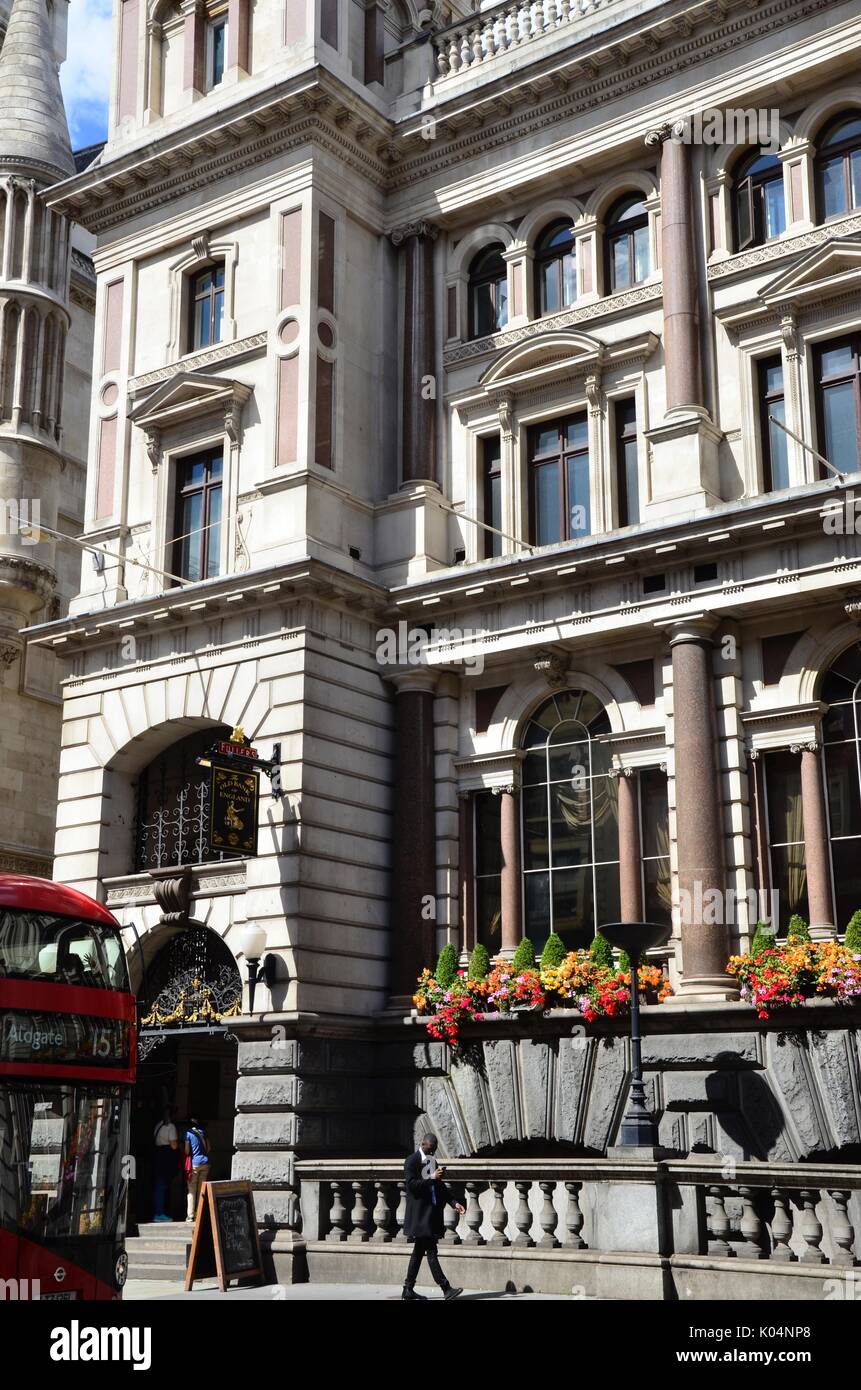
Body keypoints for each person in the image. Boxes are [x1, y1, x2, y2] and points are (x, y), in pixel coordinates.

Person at [402, 1133, 465, 1300]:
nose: (432, 1153)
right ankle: (446, 1288)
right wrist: (431, 1177)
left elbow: (439, 1187)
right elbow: (411, 1185)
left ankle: (408, 1289)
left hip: (430, 1215)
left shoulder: (432, 1161)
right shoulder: (411, 1161)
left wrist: (453, 1203)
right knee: (430, 1251)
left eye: (434, 1150)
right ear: (423, 1144)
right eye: (431, 1149)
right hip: (419, 1216)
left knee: (419, 1252)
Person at [151, 1106, 179, 1223]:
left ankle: (158, 1211)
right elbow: (174, 1145)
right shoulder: (170, 1127)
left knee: (159, 1185)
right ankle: (159, 1213)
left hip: (158, 1155)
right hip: (166, 1156)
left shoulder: (158, 1125)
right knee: (162, 1186)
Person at [184, 1116, 211, 1223]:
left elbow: (186, 1151)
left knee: (191, 1190)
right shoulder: (203, 1132)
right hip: (205, 1163)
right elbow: (209, 1148)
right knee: (201, 1190)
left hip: (194, 1164)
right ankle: (200, 1214)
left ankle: (190, 1215)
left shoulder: (188, 1134)